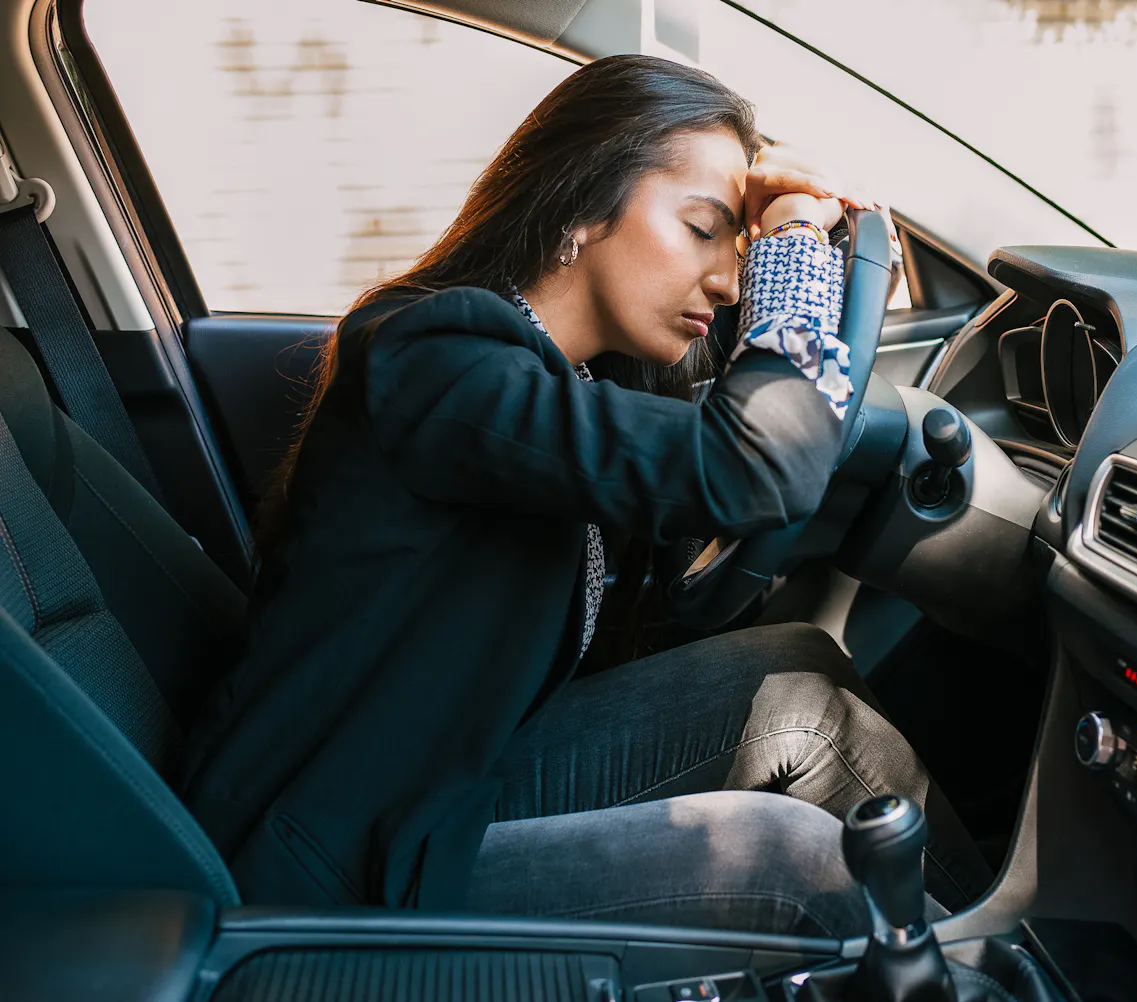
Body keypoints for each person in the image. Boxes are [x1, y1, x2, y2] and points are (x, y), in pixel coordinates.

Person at [182, 54, 991, 938]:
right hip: (338, 856)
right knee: (790, 849)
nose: (727, 283)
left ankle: (987, 947)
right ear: (578, 207)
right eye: (702, 230)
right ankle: (994, 973)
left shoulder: (555, 376)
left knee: (800, 677)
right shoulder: (436, 353)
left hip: (450, 770)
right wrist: (795, 235)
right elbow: (756, 464)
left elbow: (709, 483)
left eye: (740, 249)